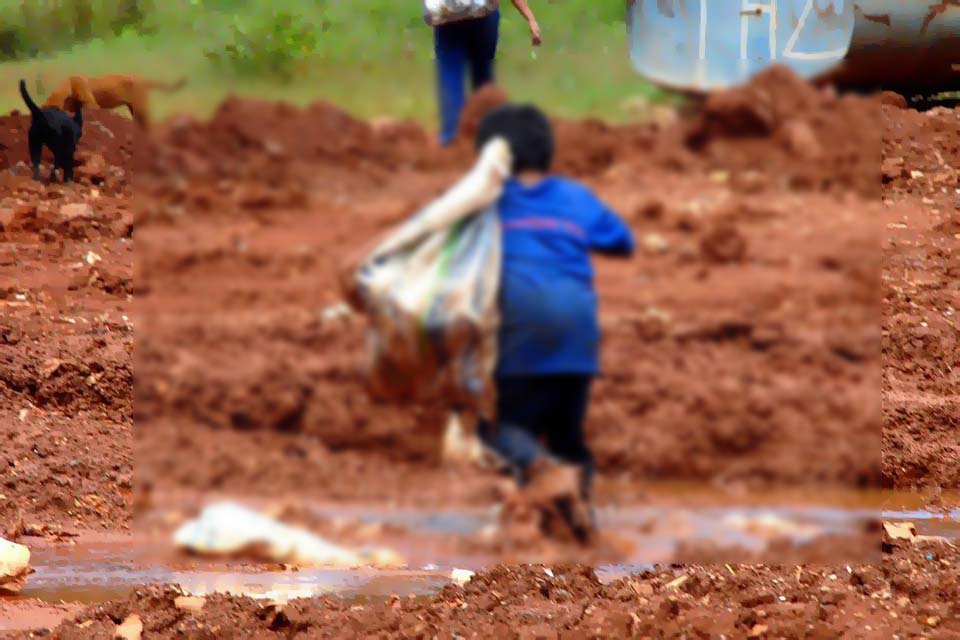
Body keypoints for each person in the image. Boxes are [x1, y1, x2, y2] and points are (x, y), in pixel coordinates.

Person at [474, 103, 635, 542]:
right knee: (568, 437)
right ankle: (580, 529)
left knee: (499, 431)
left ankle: (541, 484)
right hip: (578, 343)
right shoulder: (575, 197)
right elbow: (621, 240)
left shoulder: (489, 203)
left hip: (521, 339)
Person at [431, 0, 541, 146]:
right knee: (483, 77)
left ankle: (452, 137)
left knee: (450, 74)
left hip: (449, 14)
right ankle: (488, 136)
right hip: (484, 14)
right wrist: (530, 17)